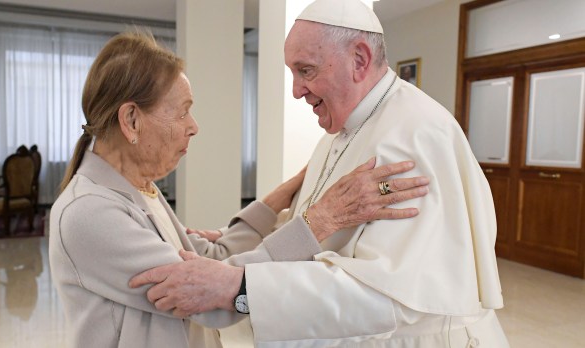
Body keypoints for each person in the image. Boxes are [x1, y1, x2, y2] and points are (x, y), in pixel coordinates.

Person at [129, 0, 510, 347]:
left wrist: (238, 285)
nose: (296, 91)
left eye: (305, 71)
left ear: (359, 59)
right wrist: (247, 242)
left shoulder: (415, 135)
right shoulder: (339, 131)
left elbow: (394, 295)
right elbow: (331, 236)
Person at [49, 30, 430, 348]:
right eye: (182, 111)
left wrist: (283, 196)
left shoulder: (139, 188)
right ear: (131, 119)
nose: (193, 126)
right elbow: (208, 298)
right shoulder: (90, 212)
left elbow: (211, 257)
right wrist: (319, 221)